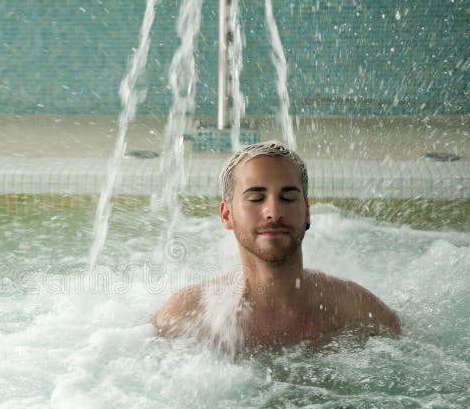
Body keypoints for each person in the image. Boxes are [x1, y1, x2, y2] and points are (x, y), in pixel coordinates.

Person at [153, 141, 400, 351]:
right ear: (227, 215)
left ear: (307, 212)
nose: (274, 212)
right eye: (256, 198)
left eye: (288, 198)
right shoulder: (187, 316)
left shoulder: (357, 311)